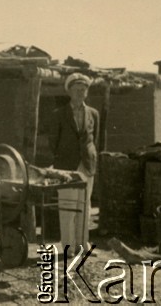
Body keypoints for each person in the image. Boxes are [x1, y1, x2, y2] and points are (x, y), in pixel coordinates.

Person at [48, 72, 99, 256]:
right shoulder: (59, 114)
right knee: (68, 205)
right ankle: (68, 247)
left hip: (86, 164)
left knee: (85, 205)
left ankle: (83, 244)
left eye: (83, 89)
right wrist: (62, 159)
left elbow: (94, 139)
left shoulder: (93, 113)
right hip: (66, 165)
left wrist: (89, 157)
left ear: (87, 92)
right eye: (76, 89)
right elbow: (53, 141)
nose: (80, 92)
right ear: (69, 91)